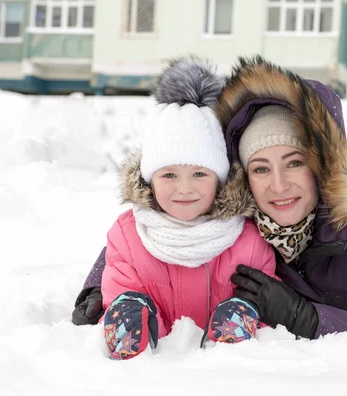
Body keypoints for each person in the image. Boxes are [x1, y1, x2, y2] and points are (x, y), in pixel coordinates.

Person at [74, 56, 347, 340]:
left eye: (294, 163)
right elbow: (149, 227)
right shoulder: (239, 207)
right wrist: (97, 290)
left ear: (323, 164)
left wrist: (307, 318)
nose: (278, 186)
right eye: (260, 168)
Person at [99, 58, 276, 360]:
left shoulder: (248, 239)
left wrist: (248, 310)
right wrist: (127, 307)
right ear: (149, 180)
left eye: (199, 174)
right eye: (169, 175)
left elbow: (268, 294)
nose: (184, 188)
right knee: (129, 309)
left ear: (220, 180)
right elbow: (118, 282)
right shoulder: (129, 234)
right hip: (146, 377)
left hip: (226, 376)